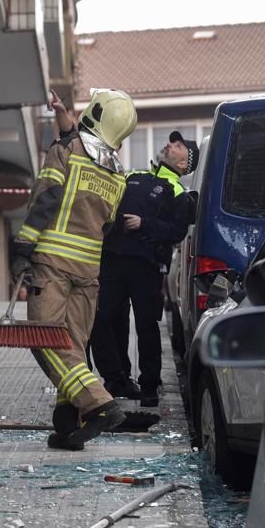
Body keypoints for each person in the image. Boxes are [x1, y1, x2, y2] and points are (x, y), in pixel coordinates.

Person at [14, 88, 138, 450]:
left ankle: (99, 405)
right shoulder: (118, 175)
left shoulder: (66, 152)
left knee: (46, 340)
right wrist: (62, 117)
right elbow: (110, 226)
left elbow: (46, 198)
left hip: (52, 263)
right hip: (88, 272)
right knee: (72, 346)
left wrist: (23, 247)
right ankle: (69, 425)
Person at [89, 132, 198, 407]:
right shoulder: (133, 175)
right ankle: (118, 378)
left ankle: (149, 384)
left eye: (177, 146)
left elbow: (177, 231)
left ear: (184, 163)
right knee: (105, 320)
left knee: (147, 326)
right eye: (172, 142)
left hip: (146, 268)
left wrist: (145, 224)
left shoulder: (178, 193)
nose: (169, 145)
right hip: (112, 262)